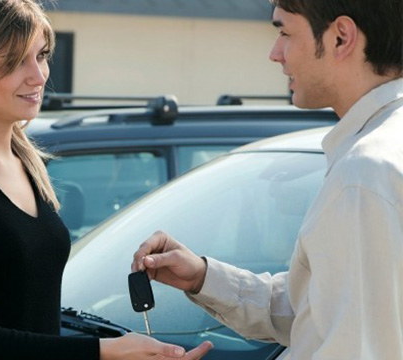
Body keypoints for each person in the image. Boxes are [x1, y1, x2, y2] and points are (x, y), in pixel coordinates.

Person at [0, 0, 213, 359]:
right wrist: (103, 351)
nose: (39, 75)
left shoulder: (27, 161)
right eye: (15, 61)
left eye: (42, 55)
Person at [132, 0, 403, 359]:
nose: (275, 54)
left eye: (285, 33)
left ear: (341, 38)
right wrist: (203, 278)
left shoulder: (364, 174)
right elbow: (315, 312)